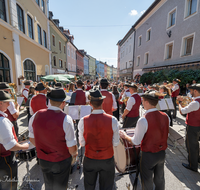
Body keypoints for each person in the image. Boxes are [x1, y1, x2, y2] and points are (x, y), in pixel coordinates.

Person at [28, 88, 78, 190]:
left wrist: (44, 148)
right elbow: (72, 147)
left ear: (49, 101)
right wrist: (74, 154)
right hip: (61, 160)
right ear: (63, 103)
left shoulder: (36, 115)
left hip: (43, 159)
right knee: (60, 186)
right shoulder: (66, 119)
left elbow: (32, 138)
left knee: (48, 185)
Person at [120, 90, 169, 190]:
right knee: (160, 179)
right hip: (162, 153)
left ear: (147, 102)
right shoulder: (166, 116)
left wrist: (125, 136)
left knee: (147, 181)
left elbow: (135, 142)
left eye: (143, 100)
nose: (142, 102)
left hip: (148, 155)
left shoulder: (143, 119)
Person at [78, 89, 119, 190]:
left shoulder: (83, 120)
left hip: (90, 158)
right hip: (107, 159)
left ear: (90, 104)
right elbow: (116, 142)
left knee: (89, 186)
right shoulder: (113, 120)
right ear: (102, 102)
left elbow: (82, 144)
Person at [0, 90, 29, 190]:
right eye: (7, 102)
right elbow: (11, 146)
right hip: (5, 159)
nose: (9, 104)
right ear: (0, 103)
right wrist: (25, 146)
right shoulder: (2, 121)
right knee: (10, 185)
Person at [177, 84, 200, 172]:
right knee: (196, 144)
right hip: (198, 125)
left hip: (193, 126)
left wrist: (179, 103)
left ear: (195, 91)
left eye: (191, 91)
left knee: (191, 146)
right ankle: (197, 159)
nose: (190, 92)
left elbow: (182, 111)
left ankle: (192, 165)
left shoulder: (195, 103)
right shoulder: (196, 101)